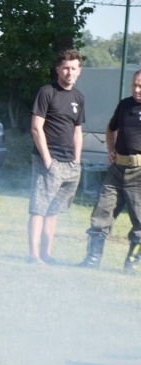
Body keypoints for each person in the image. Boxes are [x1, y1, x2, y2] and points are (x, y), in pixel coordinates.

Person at [79, 70, 141, 273]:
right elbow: (111, 128)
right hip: (117, 170)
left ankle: (131, 264)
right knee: (101, 213)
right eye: (134, 85)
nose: (136, 89)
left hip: (139, 174)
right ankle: (92, 260)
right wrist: (110, 149)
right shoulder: (124, 105)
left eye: (140, 86)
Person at [27, 49, 85, 264]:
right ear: (58, 69)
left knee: (54, 211)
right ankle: (34, 256)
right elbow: (36, 128)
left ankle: (47, 254)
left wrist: (76, 160)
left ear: (79, 71)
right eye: (66, 68)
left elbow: (78, 131)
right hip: (48, 161)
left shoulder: (78, 97)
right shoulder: (47, 92)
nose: (69, 72)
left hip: (70, 164)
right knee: (39, 209)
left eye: (73, 68)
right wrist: (47, 159)